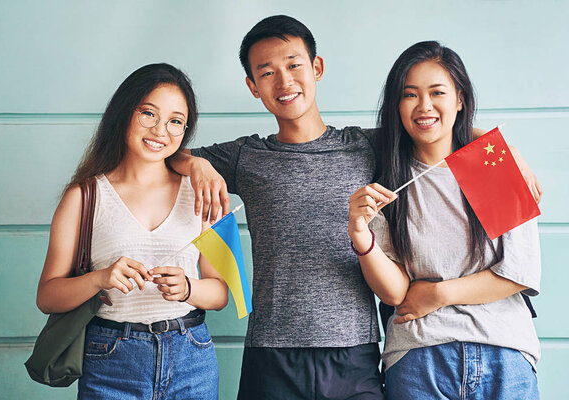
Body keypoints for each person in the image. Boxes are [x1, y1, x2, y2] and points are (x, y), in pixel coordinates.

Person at [171, 16, 541, 399]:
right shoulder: (245, 156)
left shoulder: (365, 147)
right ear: (253, 86)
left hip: (356, 351)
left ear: (317, 68)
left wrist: (501, 149)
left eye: (295, 65)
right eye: (267, 72)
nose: (284, 82)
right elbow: (164, 156)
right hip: (271, 349)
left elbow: (433, 126)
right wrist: (195, 162)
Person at [348, 41, 541, 400]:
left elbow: (519, 272)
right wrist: (361, 235)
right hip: (417, 357)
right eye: (409, 95)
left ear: (460, 98)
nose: (424, 106)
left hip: (504, 351)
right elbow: (395, 292)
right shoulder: (386, 177)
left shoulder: (492, 164)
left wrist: (438, 293)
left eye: (437, 92)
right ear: (395, 105)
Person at [36, 63, 228, 399]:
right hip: (109, 358)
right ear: (125, 113)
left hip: (192, 358)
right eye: (148, 114)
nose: (160, 131)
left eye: (175, 122)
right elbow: (47, 297)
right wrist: (101, 278)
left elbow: (222, 293)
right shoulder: (84, 197)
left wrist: (187, 287)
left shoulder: (204, 191)